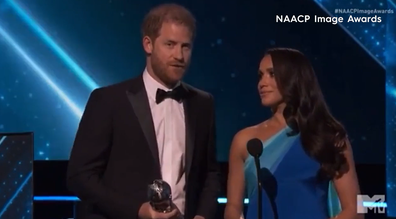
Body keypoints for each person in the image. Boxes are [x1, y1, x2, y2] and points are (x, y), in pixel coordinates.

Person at [66, 3, 220, 219]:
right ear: (148, 44)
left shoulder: (202, 104)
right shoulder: (109, 101)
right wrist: (138, 211)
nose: (179, 55)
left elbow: (210, 174)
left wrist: (202, 216)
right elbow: (80, 177)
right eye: (170, 44)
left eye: (186, 46)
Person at [224, 48, 363, 219]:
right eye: (260, 76)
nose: (262, 83)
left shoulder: (328, 136)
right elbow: (232, 207)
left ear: (294, 78)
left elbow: (354, 208)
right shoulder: (244, 140)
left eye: (272, 74)